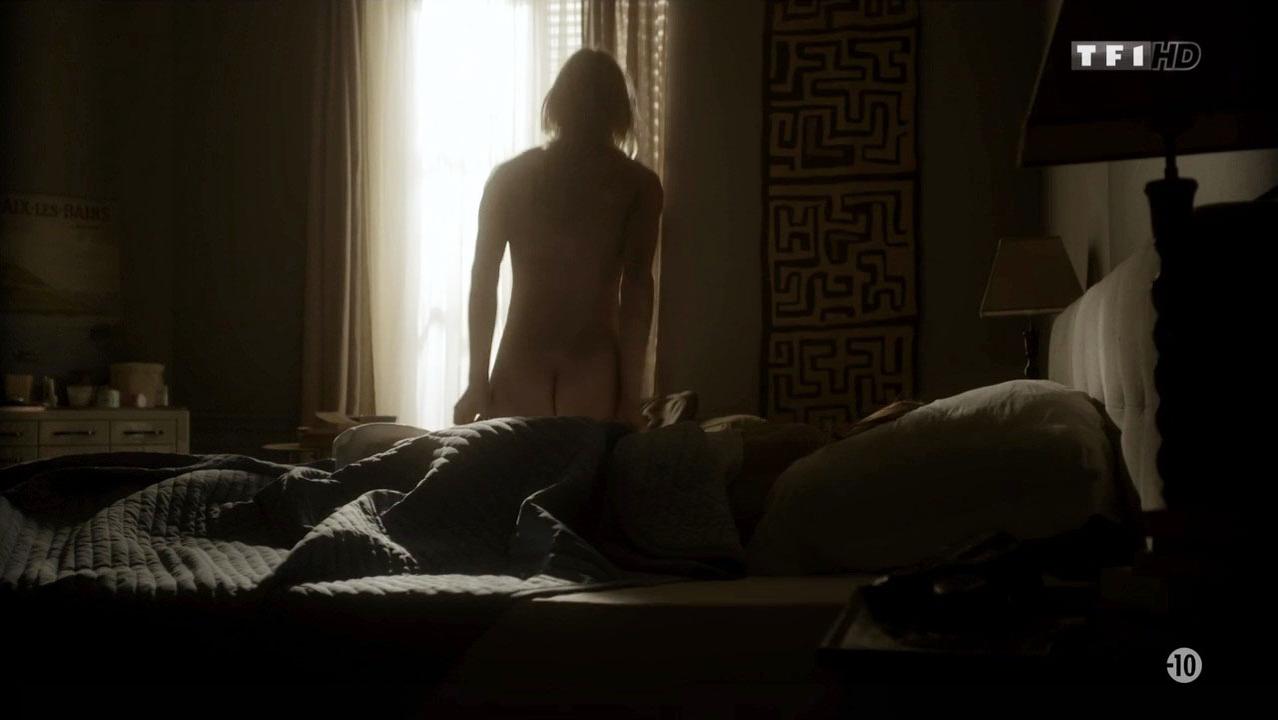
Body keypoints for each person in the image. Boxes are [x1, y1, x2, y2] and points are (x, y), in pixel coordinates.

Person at [453, 49, 663, 429]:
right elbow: (636, 292)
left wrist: (477, 382)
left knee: (516, 469)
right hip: (593, 365)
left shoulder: (510, 179)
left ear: (557, 104)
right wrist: (631, 397)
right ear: (619, 111)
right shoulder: (638, 185)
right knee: (587, 469)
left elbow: (483, 279)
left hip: (521, 360)